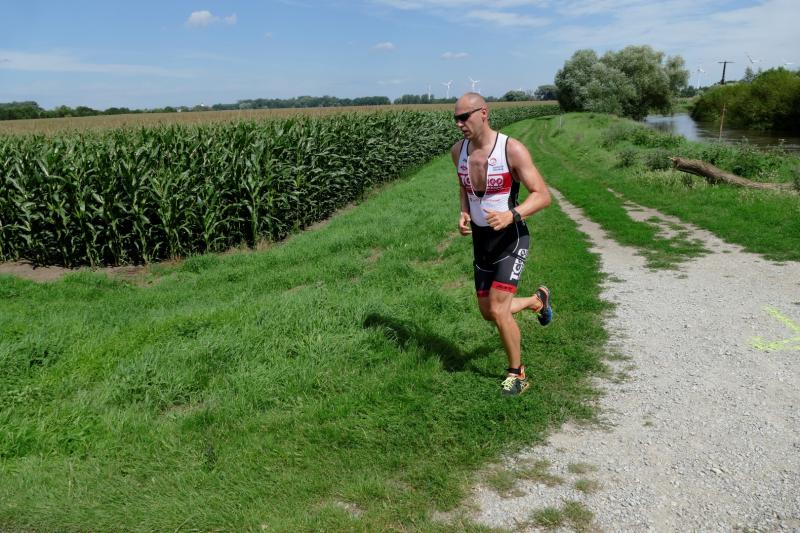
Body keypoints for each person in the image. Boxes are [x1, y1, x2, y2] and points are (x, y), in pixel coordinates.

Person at [450, 92, 553, 396]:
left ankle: (517, 373)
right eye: (456, 119)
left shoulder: (511, 149)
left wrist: (512, 215)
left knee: (498, 308)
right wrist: (464, 212)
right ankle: (536, 301)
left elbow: (543, 195)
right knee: (489, 312)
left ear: (483, 113)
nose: (459, 124)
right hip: (481, 240)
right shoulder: (458, 151)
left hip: (511, 238)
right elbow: (464, 188)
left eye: (464, 117)